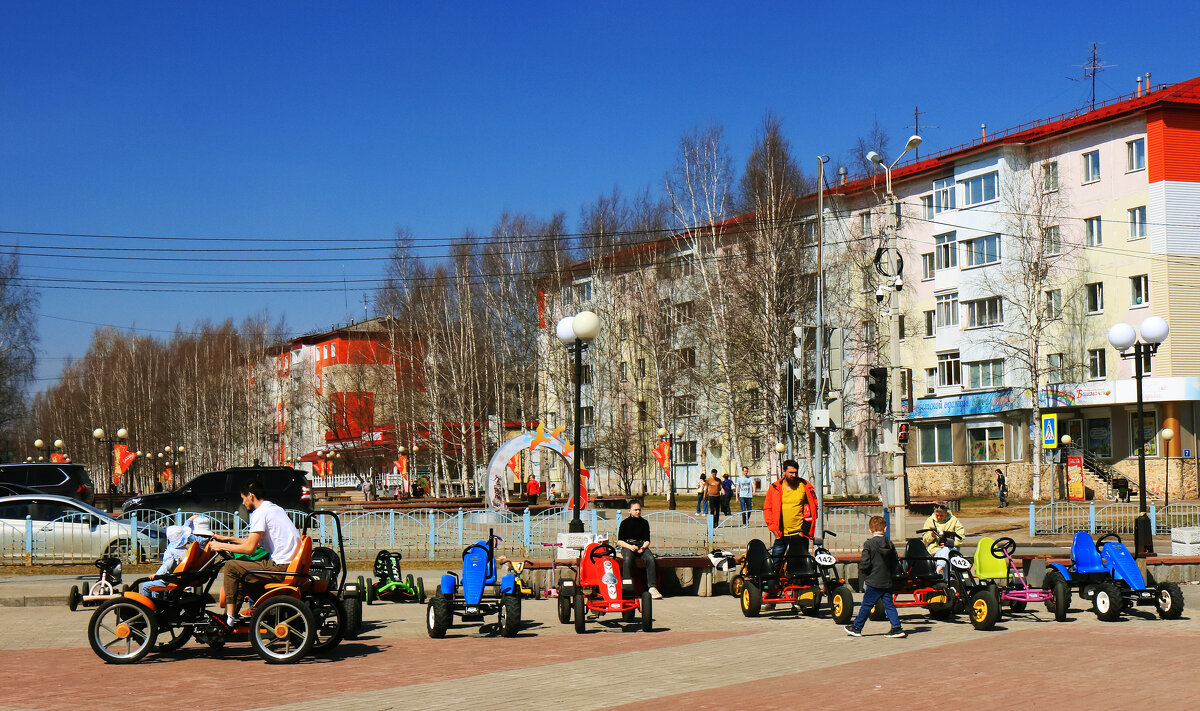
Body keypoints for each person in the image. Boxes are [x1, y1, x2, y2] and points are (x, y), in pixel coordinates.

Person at [209, 479, 302, 627]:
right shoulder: (275, 509)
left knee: (232, 566)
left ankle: (229, 619)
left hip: (281, 567)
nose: (244, 503)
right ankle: (231, 618)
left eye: (243, 499)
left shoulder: (260, 513)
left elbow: (249, 549)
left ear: (250, 496)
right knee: (241, 570)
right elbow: (256, 543)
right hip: (290, 565)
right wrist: (227, 539)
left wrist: (220, 546)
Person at [845, 515, 905, 638]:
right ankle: (897, 628)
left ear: (870, 530)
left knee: (866, 604)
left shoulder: (869, 544)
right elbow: (895, 561)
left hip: (873, 580)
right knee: (889, 605)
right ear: (885, 529)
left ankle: (857, 627)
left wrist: (864, 573)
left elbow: (865, 563)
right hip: (887, 580)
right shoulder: (890, 543)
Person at [762, 459, 818, 572]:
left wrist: (805, 531)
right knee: (775, 566)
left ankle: (799, 588)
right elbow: (768, 509)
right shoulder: (775, 488)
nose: (794, 475)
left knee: (800, 566)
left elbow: (814, 507)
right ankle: (772, 587)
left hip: (800, 534)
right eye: (791, 473)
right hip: (781, 535)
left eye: (796, 472)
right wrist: (773, 529)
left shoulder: (805, 486)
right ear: (784, 472)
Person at [139, 515, 210, 598]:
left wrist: (157, 574)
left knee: (145, 585)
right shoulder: (187, 550)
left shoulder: (170, 551)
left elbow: (166, 566)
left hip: (172, 578)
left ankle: (147, 607)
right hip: (182, 576)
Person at [615, 500, 662, 599]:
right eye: (635, 510)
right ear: (629, 511)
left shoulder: (644, 523)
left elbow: (647, 540)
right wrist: (630, 547)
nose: (638, 512)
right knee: (627, 559)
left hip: (641, 545)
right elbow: (620, 541)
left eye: (639, 510)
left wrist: (643, 547)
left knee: (650, 559)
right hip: (628, 546)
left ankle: (652, 587)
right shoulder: (624, 523)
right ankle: (627, 586)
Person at [922, 502, 966, 574]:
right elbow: (925, 540)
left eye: (941, 516)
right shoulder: (930, 521)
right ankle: (948, 579)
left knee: (946, 550)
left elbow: (961, 537)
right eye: (937, 515)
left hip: (951, 548)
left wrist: (950, 543)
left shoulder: (953, 520)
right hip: (935, 549)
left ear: (946, 513)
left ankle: (938, 570)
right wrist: (932, 535)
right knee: (947, 556)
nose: (939, 517)